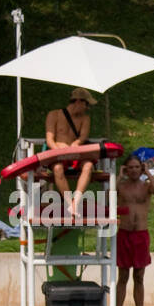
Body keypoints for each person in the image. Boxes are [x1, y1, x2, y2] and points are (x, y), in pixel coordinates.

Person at [115, 155, 154, 306]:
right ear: (126, 169)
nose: (134, 170)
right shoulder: (121, 186)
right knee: (122, 277)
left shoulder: (146, 186)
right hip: (124, 234)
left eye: (137, 167)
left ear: (141, 168)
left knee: (139, 277)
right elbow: (107, 196)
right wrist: (119, 176)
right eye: (131, 168)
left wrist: (148, 173)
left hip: (141, 235)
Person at [44, 88, 97, 217]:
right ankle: (70, 204)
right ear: (78, 101)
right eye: (86, 104)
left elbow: (82, 137)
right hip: (57, 153)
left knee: (88, 166)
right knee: (57, 168)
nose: (87, 108)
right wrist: (58, 151)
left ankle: (76, 202)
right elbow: (49, 139)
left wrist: (76, 144)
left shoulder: (85, 118)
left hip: (76, 153)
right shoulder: (54, 115)